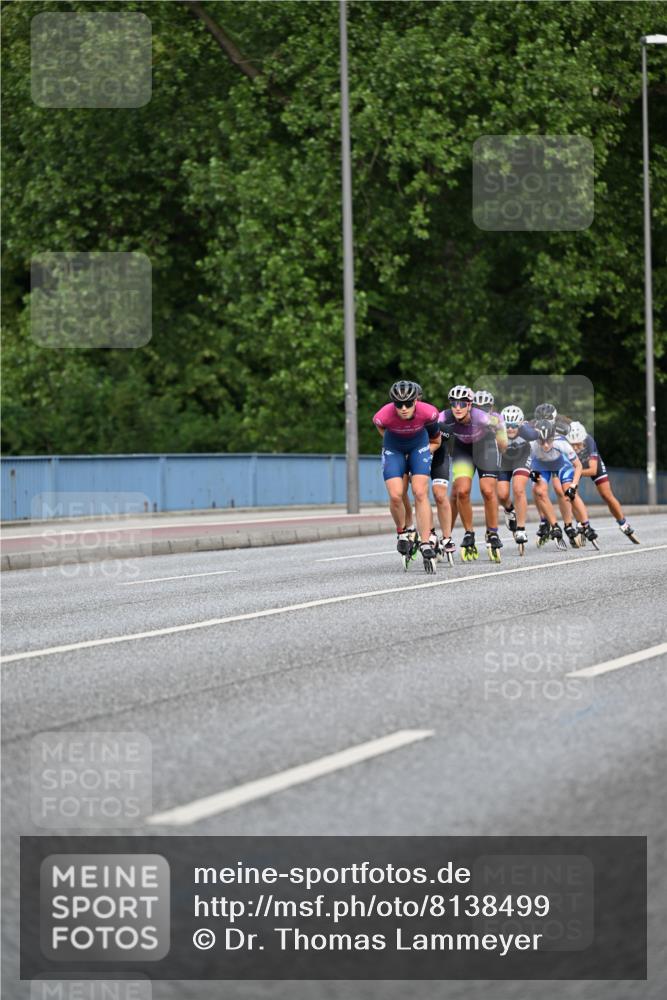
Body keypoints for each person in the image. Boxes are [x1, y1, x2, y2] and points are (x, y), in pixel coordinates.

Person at [373, 380, 440, 569]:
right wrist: (391, 443)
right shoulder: (383, 415)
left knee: (420, 492)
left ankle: (426, 542)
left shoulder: (428, 412)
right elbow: (381, 429)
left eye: (408, 404)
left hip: (419, 447)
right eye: (398, 404)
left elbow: (436, 439)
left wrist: (427, 451)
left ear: (416, 402)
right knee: (396, 495)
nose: (403, 408)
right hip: (394, 448)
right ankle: (402, 532)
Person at [439, 385, 508, 561]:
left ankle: (492, 532)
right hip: (463, 449)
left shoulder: (481, 417)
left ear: (470, 405)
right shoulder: (445, 417)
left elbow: (499, 425)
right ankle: (469, 533)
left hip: (485, 447)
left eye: (462, 404)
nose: (458, 408)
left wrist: (502, 444)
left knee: (487, 491)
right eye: (454, 404)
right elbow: (430, 428)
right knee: (461, 491)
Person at [566, 421, 639, 543]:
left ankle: (623, 523)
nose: (575, 448)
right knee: (571, 493)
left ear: (582, 440)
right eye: (572, 445)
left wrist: (577, 472)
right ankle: (580, 522)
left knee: (607, 495)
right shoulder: (563, 443)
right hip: (574, 464)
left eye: (578, 445)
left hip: (589, 465)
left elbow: (593, 470)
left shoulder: (589, 441)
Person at [527, 419, 591, 548]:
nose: (545, 445)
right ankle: (552, 525)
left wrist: (574, 485)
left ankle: (570, 525)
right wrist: (530, 472)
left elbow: (577, 466)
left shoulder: (561, 443)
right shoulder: (532, 444)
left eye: (548, 441)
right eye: (541, 441)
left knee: (563, 490)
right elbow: (525, 464)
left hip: (559, 463)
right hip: (542, 464)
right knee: (539, 490)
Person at [497, 405, 532, 551]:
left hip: (522, 457)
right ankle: (509, 509)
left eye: (513, 426)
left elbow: (538, 445)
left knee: (518, 489)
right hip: (505, 460)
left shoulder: (528, 431)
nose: (510, 429)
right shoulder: (497, 430)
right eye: (507, 426)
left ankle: (521, 528)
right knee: (502, 494)